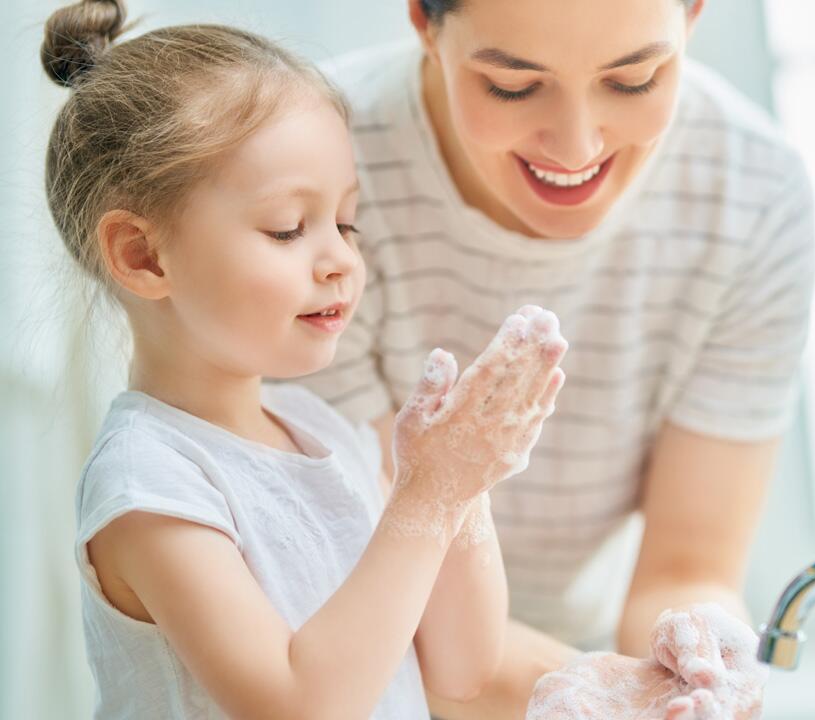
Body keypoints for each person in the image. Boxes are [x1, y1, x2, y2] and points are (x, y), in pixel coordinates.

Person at [42, 1, 568, 716]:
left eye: (347, 222)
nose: (342, 260)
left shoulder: (314, 428)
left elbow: (463, 662)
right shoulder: (149, 485)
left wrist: (462, 484)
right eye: (289, 228)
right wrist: (426, 497)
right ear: (142, 255)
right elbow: (299, 704)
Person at [299, 0, 815, 716]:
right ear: (423, 19)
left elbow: (686, 566)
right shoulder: (309, 174)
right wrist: (599, 692)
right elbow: (374, 585)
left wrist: (693, 670)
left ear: (694, 12)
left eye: (634, 79)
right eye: (512, 86)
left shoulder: (753, 196)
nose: (576, 147)